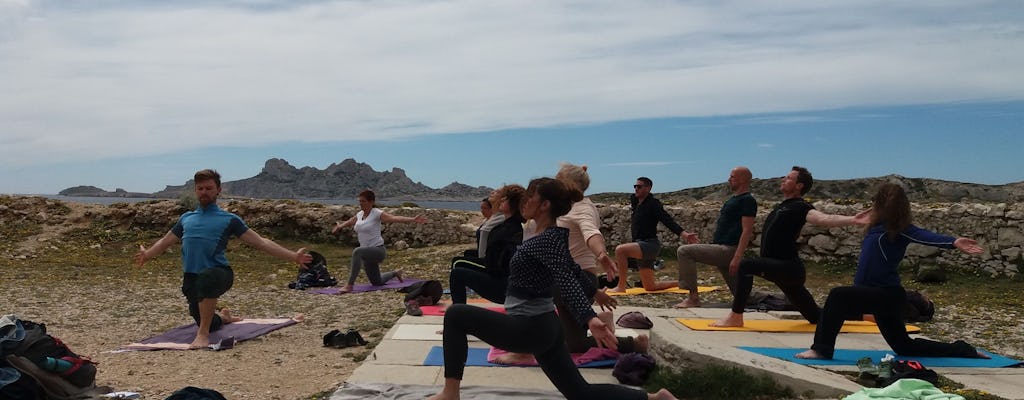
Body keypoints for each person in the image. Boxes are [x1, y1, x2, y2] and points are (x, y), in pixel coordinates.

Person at [427, 177, 678, 400]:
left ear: (544, 204)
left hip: (530, 327)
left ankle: (451, 393)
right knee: (581, 393)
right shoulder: (550, 236)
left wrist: (589, 317)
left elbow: (565, 278)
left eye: (530, 196)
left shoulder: (546, 240)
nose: (524, 200)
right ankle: (655, 398)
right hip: (545, 327)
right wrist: (595, 292)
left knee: (456, 315)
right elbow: (573, 269)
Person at [795, 183, 989, 360]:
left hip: (886, 295)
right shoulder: (874, 227)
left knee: (837, 296)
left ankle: (821, 349)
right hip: (875, 295)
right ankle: (963, 349)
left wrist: (953, 242)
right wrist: (857, 219)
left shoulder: (901, 228)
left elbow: (926, 236)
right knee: (905, 347)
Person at [133, 169, 312, 349]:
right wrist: (147, 254)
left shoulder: (229, 219)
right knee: (205, 318)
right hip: (192, 277)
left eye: (209, 188)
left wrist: (293, 256)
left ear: (218, 190)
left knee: (206, 281)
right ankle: (223, 319)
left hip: (219, 273)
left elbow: (261, 243)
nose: (204, 192)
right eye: (200, 188)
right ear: (195, 191)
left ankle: (202, 335)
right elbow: (165, 241)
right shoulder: (186, 218)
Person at [711, 166, 870, 327]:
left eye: (788, 178)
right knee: (815, 316)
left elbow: (824, 218)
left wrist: (853, 220)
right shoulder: (782, 206)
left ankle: (736, 316)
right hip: (781, 269)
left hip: (788, 268)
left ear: (799, 185)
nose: (783, 180)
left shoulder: (801, 207)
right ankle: (865, 316)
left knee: (746, 266)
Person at [554, 163, 647, 354]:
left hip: (577, 280)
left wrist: (601, 254)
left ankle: (633, 344)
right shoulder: (567, 207)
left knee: (575, 346)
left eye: (557, 180)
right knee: (565, 337)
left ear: (568, 184)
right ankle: (602, 321)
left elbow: (591, 232)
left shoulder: (581, 208)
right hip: (568, 278)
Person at [674, 166, 758, 308]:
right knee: (744, 297)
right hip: (723, 249)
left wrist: (737, 257)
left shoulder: (747, 200)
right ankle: (790, 299)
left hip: (729, 250)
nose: (729, 179)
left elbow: (747, 229)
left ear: (743, 179)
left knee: (684, 251)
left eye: (732, 177)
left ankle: (693, 298)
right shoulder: (734, 199)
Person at [608, 177, 697, 293]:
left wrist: (684, 234)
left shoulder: (653, 204)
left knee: (620, 250)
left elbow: (667, 220)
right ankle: (682, 282)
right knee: (650, 287)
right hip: (640, 244)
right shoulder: (635, 201)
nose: (636, 189)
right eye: (635, 186)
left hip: (649, 245)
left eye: (639, 186)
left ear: (648, 188)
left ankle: (621, 286)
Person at [330, 189, 427, 293]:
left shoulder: (376, 213)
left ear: (371, 202)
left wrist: (412, 219)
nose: (361, 203)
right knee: (377, 282)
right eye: (360, 201)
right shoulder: (359, 214)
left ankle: (349, 285)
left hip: (378, 251)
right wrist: (339, 226)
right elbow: (350, 222)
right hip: (367, 253)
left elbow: (394, 218)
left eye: (363, 201)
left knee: (357, 252)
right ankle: (395, 273)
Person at [447, 184, 525, 304]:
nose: (502, 200)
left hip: (502, 286)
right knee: (461, 265)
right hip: (502, 279)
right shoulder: (509, 225)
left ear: (513, 204)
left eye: (506, 198)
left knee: (457, 272)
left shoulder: (508, 228)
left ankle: (458, 310)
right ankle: (459, 308)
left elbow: (498, 262)